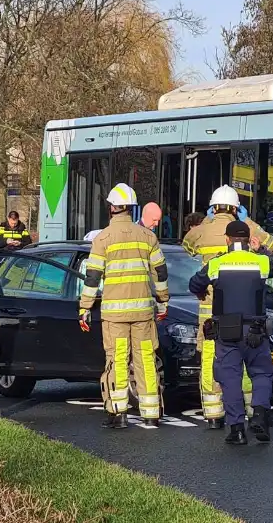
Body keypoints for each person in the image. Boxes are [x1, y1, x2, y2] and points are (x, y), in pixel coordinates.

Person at [181, 185, 273, 428]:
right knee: (246, 364)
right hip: (245, 310)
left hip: (211, 309)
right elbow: (272, 246)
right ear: (237, 208)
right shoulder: (249, 230)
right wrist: (251, 223)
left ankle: (213, 413)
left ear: (213, 207)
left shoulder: (201, 231)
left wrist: (206, 225)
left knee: (213, 359)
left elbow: (187, 246)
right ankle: (248, 407)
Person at [79, 183, 170, 428]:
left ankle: (118, 414)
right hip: (143, 313)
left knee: (118, 360)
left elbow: (92, 278)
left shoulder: (102, 239)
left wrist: (84, 308)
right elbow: (160, 273)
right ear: (132, 208)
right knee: (146, 359)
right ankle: (151, 412)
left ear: (111, 208)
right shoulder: (148, 237)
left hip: (115, 316)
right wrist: (163, 303)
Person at [188, 220, 273, 445]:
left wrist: (203, 290)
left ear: (227, 239)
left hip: (227, 332)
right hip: (256, 330)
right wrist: (261, 248)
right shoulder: (260, 262)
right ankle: (260, 414)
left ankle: (237, 429)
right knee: (261, 373)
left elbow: (194, 284)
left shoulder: (217, 263)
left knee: (230, 378)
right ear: (248, 238)